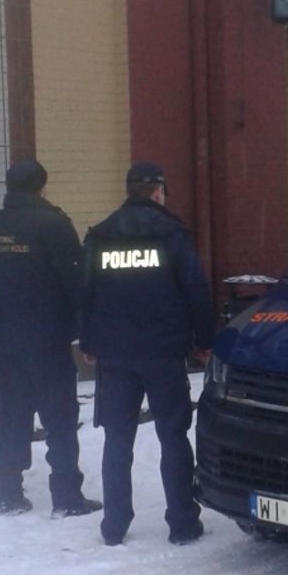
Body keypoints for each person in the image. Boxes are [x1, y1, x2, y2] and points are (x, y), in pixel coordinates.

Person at [79, 162, 215, 546]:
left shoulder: (101, 235)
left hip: (115, 356)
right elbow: (195, 290)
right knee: (173, 435)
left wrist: (88, 342)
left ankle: (114, 525)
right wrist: (205, 340)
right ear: (157, 192)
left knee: (117, 439)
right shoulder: (171, 234)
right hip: (162, 352)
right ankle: (183, 523)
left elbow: (85, 291)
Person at [0, 158, 101, 518]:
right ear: (42, 186)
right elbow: (77, 283)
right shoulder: (53, 225)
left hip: (1, 341)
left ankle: (9, 493)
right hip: (47, 339)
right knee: (60, 417)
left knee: (12, 414)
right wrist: (85, 331)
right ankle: (67, 496)